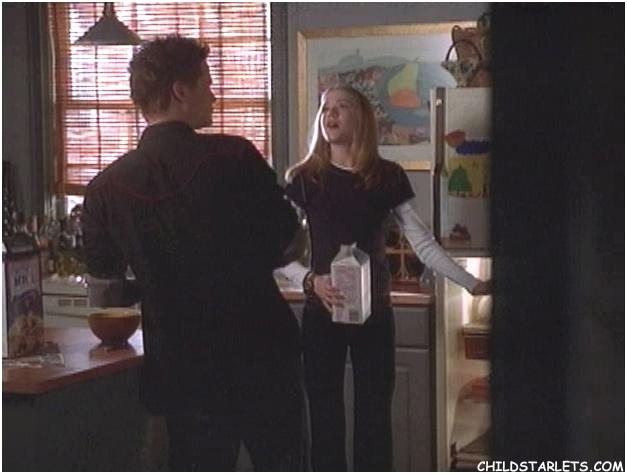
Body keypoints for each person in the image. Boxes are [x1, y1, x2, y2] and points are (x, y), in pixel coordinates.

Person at [82, 35, 305, 471]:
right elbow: (290, 242)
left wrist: (154, 278)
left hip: (181, 365)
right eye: (207, 83)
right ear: (180, 91)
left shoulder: (104, 188)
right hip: (261, 350)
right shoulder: (234, 155)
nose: (214, 95)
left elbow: (107, 291)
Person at [281, 85, 491, 471]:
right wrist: (310, 281)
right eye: (325, 108)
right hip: (321, 316)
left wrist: (472, 283)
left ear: (361, 118)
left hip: (375, 317)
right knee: (325, 421)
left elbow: (422, 243)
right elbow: (277, 252)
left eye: (341, 107)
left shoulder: (386, 176)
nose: (330, 114)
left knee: (375, 423)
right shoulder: (305, 178)